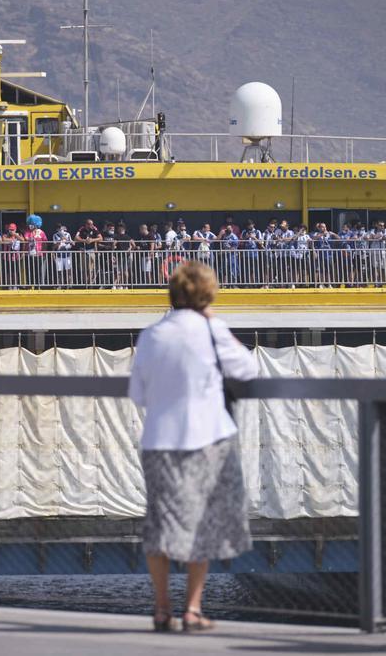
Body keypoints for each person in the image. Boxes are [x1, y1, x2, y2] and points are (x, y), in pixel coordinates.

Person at [128, 261, 259, 633]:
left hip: (158, 440)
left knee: (160, 524)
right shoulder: (212, 330)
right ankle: (192, 609)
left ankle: (160, 608)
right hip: (208, 438)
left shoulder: (151, 335)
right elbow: (249, 370)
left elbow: (138, 394)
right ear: (207, 295)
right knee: (202, 523)